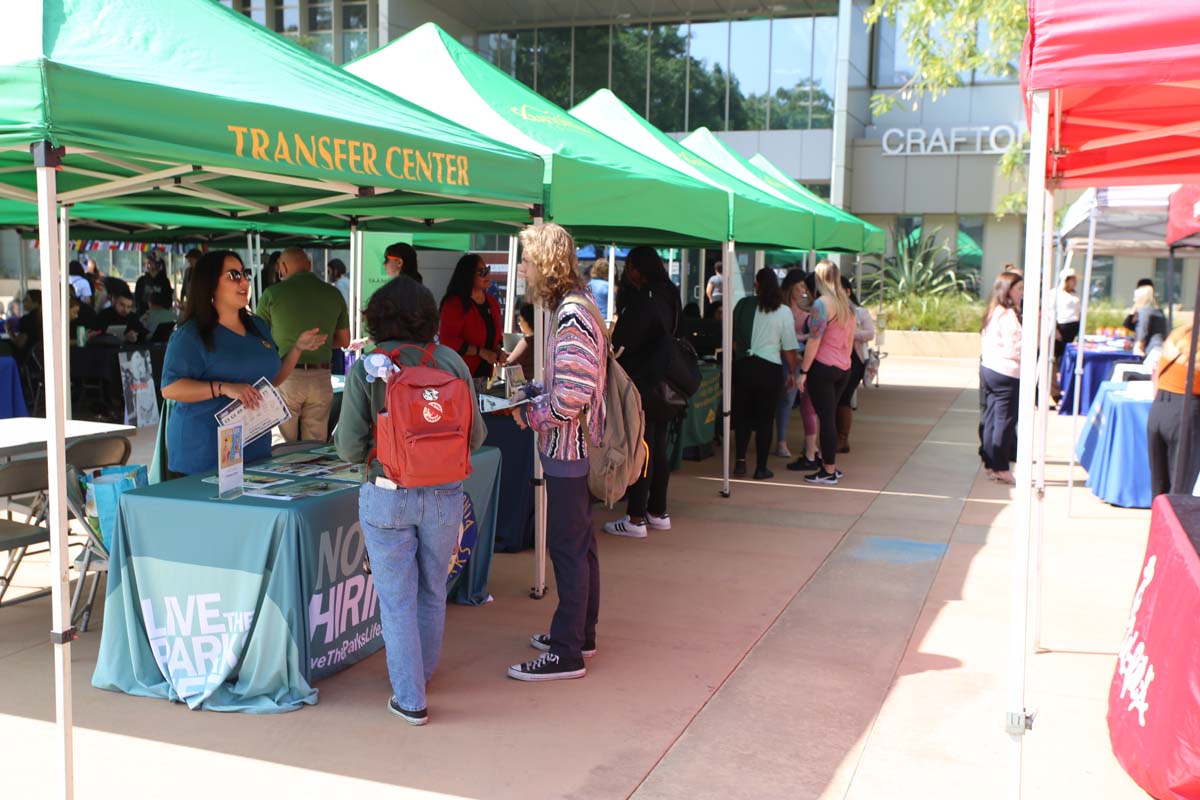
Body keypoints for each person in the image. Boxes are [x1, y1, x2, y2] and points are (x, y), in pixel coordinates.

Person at [334, 275, 487, 726]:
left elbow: (346, 447)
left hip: (387, 493)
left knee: (396, 599)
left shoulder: (370, 364)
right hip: (444, 495)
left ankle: (410, 695)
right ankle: (420, 676)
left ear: (376, 318)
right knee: (432, 588)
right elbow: (476, 438)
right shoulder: (453, 362)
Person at [508, 223, 606, 682]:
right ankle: (579, 636)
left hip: (571, 450)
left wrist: (529, 414)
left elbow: (571, 398)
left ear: (544, 262)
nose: (523, 268)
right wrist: (534, 392)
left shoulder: (572, 314)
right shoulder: (579, 308)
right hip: (575, 449)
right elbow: (570, 385)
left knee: (568, 549)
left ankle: (567, 651)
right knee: (579, 547)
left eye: (526, 259)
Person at [161, 251, 325, 476]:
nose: (245, 281)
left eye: (245, 274)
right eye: (233, 275)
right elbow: (170, 388)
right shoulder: (190, 334)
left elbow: (271, 381)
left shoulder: (257, 326)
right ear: (210, 284)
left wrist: (297, 349)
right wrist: (223, 387)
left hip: (254, 451)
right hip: (202, 454)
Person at [604, 246, 682, 537]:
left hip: (644, 383)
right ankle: (657, 510)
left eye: (630, 268)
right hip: (667, 383)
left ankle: (636, 517)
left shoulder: (645, 300)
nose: (628, 273)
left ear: (640, 269)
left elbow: (624, 340)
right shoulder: (670, 295)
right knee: (658, 446)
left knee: (642, 447)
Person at [256, 247, 351, 442]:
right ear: (308, 265)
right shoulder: (333, 293)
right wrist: (317, 344)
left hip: (285, 375)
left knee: (281, 444)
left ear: (282, 267)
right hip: (322, 376)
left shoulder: (272, 294)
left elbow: (258, 338)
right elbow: (344, 340)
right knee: (314, 446)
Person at [790, 261, 855, 485]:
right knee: (830, 418)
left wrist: (804, 371)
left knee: (826, 419)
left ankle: (828, 469)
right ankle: (829, 466)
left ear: (818, 279)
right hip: (843, 367)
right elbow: (849, 339)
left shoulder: (821, 304)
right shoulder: (847, 304)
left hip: (823, 368)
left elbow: (814, 340)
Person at [731, 268, 798, 481]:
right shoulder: (784, 311)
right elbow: (788, 346)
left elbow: (732, 340)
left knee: (741, 416)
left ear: (757, 285)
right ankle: (761, 467)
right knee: (765, 420)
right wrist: (792, 373)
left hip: (744, 366)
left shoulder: (743, 305)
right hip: (770, 369)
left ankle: (740, 462)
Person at [978, 271, 1024, 485]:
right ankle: (1001, 466)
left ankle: (990, 462)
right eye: (1019, 289)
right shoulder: (1007, 315)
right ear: (1008, 291)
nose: (1022, 294)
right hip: (1006, 371)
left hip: (990, 368)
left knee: (991, 418)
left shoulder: (993, 311)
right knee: (1004, 421)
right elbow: (1015, 347)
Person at [1148, 325, 1200, 497]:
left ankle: (1159, 523)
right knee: (1180, 490)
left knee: (1159, 488)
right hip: (1185, 414)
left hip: (1160, 409)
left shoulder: (1177, 336)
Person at [438, 254, 505, 380]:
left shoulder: (492, 302)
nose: (487, 275)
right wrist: (481, 352)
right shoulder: (454, 304)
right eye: (482, 272)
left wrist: (498, 351)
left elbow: (497, 336)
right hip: (459, 376)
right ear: (468, 275)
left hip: (486, 376)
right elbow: (448, 341)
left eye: (487, 270)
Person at [775, 269, 816, 461]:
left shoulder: (807, 310)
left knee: (804, 402)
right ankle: (781, 441)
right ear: (791, 287)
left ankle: (809, 443)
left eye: (804, 287)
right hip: (785, 357)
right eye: (799, 286)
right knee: (787, 399)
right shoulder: (781, 308)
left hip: (800, 358)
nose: (803, 291)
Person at [835, 276, 875, 454]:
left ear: (848, 291)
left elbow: (870, 334)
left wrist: (852, 333)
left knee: (844, 398)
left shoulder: (860, 312)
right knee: (836, 399)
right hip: (837, 357)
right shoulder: (831, 309)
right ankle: (837, 437)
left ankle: (842, 439)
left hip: (855, 359)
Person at [1053, 268, 1080, 403]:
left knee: (1067, 356)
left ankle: (1061, 385)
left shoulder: (1074, 295)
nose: (1074, 283)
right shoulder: (1056, 293)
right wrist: (1055, 329)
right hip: (1062, 327)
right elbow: (1052, 312)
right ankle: (1057, 387)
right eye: (1072, 280)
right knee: (1059, 357)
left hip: (1073, 326)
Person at [1130, 284, 1168, 359]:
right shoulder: (1158, 311)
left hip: (1152, 351)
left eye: (1136, 297)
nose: (1134, 300)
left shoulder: (1144, 311)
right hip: (1161, 348)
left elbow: (1143, 330)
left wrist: (1138, 347)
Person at [134, 253, 172, 318]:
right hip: (143, 316)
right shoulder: (141, 280)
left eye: (150, 263)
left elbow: (168, 301)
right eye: (147, 263)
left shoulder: (164, 281)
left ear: (157, 265)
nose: (147, 265)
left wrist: (157, 308)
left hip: (160, 316)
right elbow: (137, 300)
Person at [507, 302, 536, 379]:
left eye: (520, 320)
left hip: (524, 383)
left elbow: (509, 362)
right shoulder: (540, 340)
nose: (519, 323)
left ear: (527, 321)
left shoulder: (527, 342)